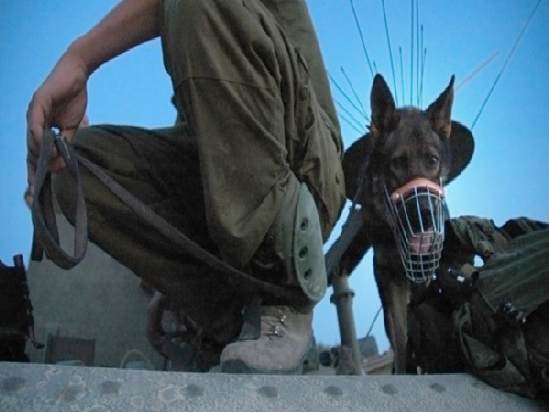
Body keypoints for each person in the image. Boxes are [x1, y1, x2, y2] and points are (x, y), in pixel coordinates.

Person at [26, 0, 346, 374]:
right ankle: (226, 320)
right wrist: (175, 284)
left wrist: (81, 58)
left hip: (305, 169)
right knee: (72, 168)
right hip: (223, 182)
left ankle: (281, 292)